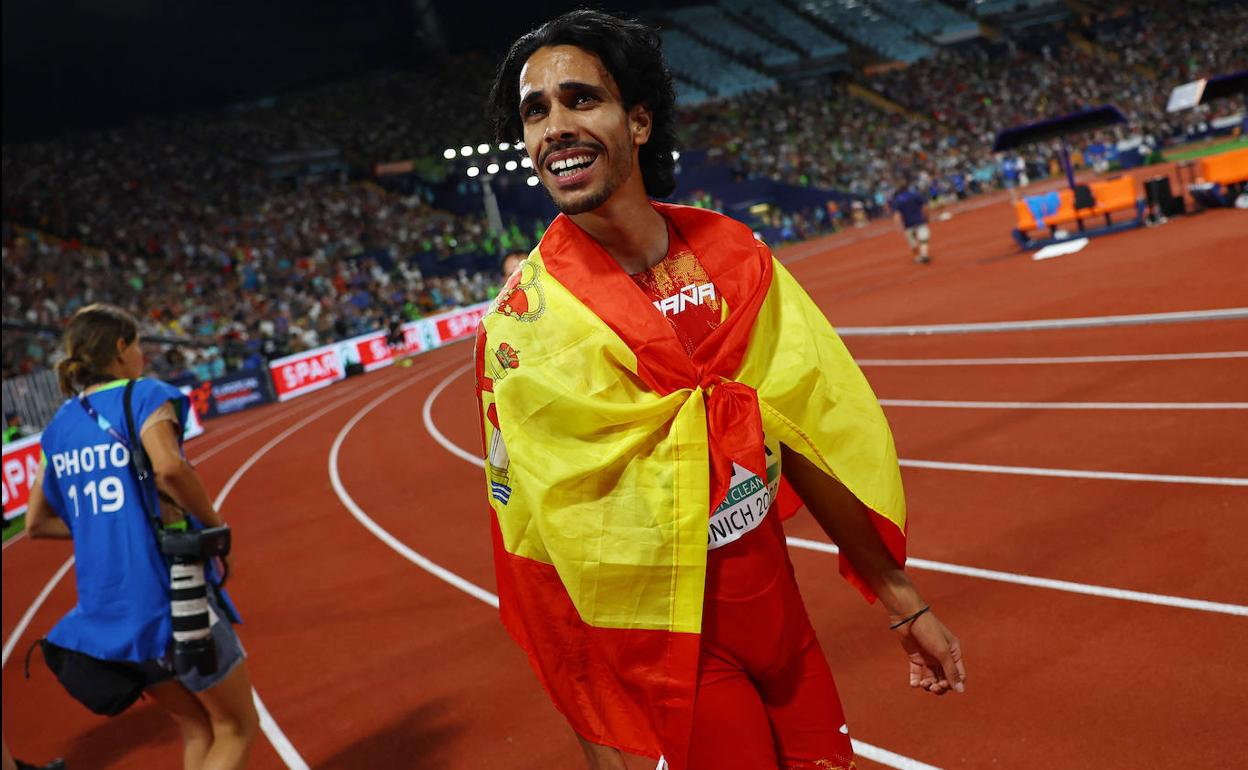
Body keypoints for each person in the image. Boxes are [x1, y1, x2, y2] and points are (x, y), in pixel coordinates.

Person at [478, 11, 964, 770]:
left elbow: (807, 432)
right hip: (676, 659)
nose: (554, 127)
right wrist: (601, 736)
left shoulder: (735, 257)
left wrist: (902, 600)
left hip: (783, 627)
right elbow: (538, 553)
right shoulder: (524, 330)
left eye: (580, 99)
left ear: (637, 120)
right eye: (535, 112)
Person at [24, 304, 259, 770]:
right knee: (236, 728)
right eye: (138, 345)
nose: (143, 355)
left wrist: (110, 528)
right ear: (119, 347)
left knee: (197, 728)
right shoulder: (145, 395)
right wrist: (215, 527)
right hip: (167, 596)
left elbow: (35, 523)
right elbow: (170, 467)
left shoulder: (59, 428)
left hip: (107, 614)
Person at [890, 178, 932, 264]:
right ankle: (924, 254)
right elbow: (925, 207)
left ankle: (917, 257)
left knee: (912, 242)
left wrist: (898, 226)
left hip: (908, 224)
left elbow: (896, 215)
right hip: (919, 221)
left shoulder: (898, 200)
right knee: (924, 239)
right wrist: (927, 217)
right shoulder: (915, 195)